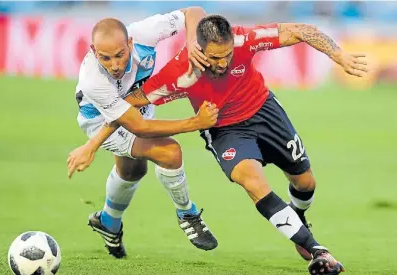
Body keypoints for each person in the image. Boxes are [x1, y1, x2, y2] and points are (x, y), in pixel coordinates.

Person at [69, 15, 368, 274]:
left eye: (226, 55)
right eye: (214, 58)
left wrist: (338, 55)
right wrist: (93, 144)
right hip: (224, 130)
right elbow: (126, 110)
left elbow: (302, 30)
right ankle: (317, 251)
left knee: (305, 183)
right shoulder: (179, 74)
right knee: (251, 181)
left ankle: (298, 216)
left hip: (265, 111)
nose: (222, 63)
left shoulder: (244, 40)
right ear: (197, 49)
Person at [68, 8, 220, 259]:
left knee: (133, 170)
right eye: (105, 58)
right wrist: (195, 122)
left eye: (120, 55)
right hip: (101, 120)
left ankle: (108, 222)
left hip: (137, 107)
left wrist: (193, 42)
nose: (115, 65)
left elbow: (194, 12)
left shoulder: (144, 33)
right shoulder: (92, 80)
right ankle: (187, 213)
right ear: (94, 53)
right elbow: (138, 127)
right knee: (170, 152)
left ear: (130, 42)